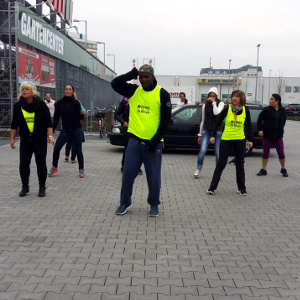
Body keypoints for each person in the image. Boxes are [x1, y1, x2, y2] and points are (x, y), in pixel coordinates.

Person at [111, 64, 171, 217]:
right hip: (135, 139)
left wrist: (155, 140)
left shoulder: (162, 94)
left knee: (153, 176)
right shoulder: (134, 91)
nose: (143, 79)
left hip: (153, 142)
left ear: (152, 77)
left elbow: (166, 122)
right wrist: (129, 75)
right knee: (128, 173)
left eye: (147, 77)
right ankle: (125, 202)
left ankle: (154, 203)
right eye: (141, 77)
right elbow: (115, 83)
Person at [10, 82, 55, 197]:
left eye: (27, 89)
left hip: (39, 140)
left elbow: (48, 122)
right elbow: (14, 124)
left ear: (32, 91)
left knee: (41, 164)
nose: (24, 91)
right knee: (24, 164)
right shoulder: (17, 106)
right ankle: (25, 186)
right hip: (25, 141)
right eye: (22, 89)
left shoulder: (41, 104)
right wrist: (12, 139)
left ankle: (42, 186)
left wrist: (50, 136)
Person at [207, 90, 253, 196]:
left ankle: (241, 189)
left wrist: (250, 140)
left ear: (241, 98)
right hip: (226, 139)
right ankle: (212, 188)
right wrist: (213, 135)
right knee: (221, 163)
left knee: (240, 164)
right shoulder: (227, 109)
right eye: (233, 96)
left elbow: (249, 126)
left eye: (237, 96)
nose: (234, 98)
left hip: (240, 140)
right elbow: (217, 122)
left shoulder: (246, 110)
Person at [48, 85, 86, 178]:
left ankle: (81, 169)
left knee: (78, 150)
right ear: (64, 91)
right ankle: (54, 167)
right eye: (66, 89)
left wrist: (82, 114)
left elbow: (80, 117)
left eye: (70, 89)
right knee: (56, 148)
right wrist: (51, 131)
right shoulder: (59, 103)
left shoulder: (76, 103)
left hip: (76, 130)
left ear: (72, 91)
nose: (68, 91)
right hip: (65, 130)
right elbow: (56, 119)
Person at [194, 87, 224, 178]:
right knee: (202, 150)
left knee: (218, 151)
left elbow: (216, 112)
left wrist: (214, 103)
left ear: (216, 96)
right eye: (210, 96)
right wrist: (200, 134)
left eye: (214, 96)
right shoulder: (205, 106)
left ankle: (218, 172)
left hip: (217, 130)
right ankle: (198, 169)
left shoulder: (221, 104)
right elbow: (203, 120)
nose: (212, 98)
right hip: (206, 130)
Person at [256, 94, 288, 177]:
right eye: (270, 99)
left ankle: (283, 169)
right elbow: (259, 120)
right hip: (267, 136)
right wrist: (260, 129)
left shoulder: (282, 111)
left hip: (278, 136)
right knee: (265, 152)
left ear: (277, 101)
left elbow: (283, 122)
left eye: (272, 99)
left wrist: (281, 130)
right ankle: (263, 169)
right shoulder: (266, 110)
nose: (270, 101)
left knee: (281, 153)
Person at [114, 96, 143, 175]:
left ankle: (137, 167)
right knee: (128, 147)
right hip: (128, 129)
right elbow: (116, 114)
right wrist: (123, 122)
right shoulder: (125, 101)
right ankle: (124, 165)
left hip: (137, 128)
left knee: (137, 148)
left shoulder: (139, 99)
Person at [64, 92, 85, 163]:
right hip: (76, 126)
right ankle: (73, 158)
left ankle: (66, 156)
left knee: (68, 141)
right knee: (74, 143)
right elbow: (83, 110)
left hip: (67, 126)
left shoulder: (66, 103)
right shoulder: (77, 102)